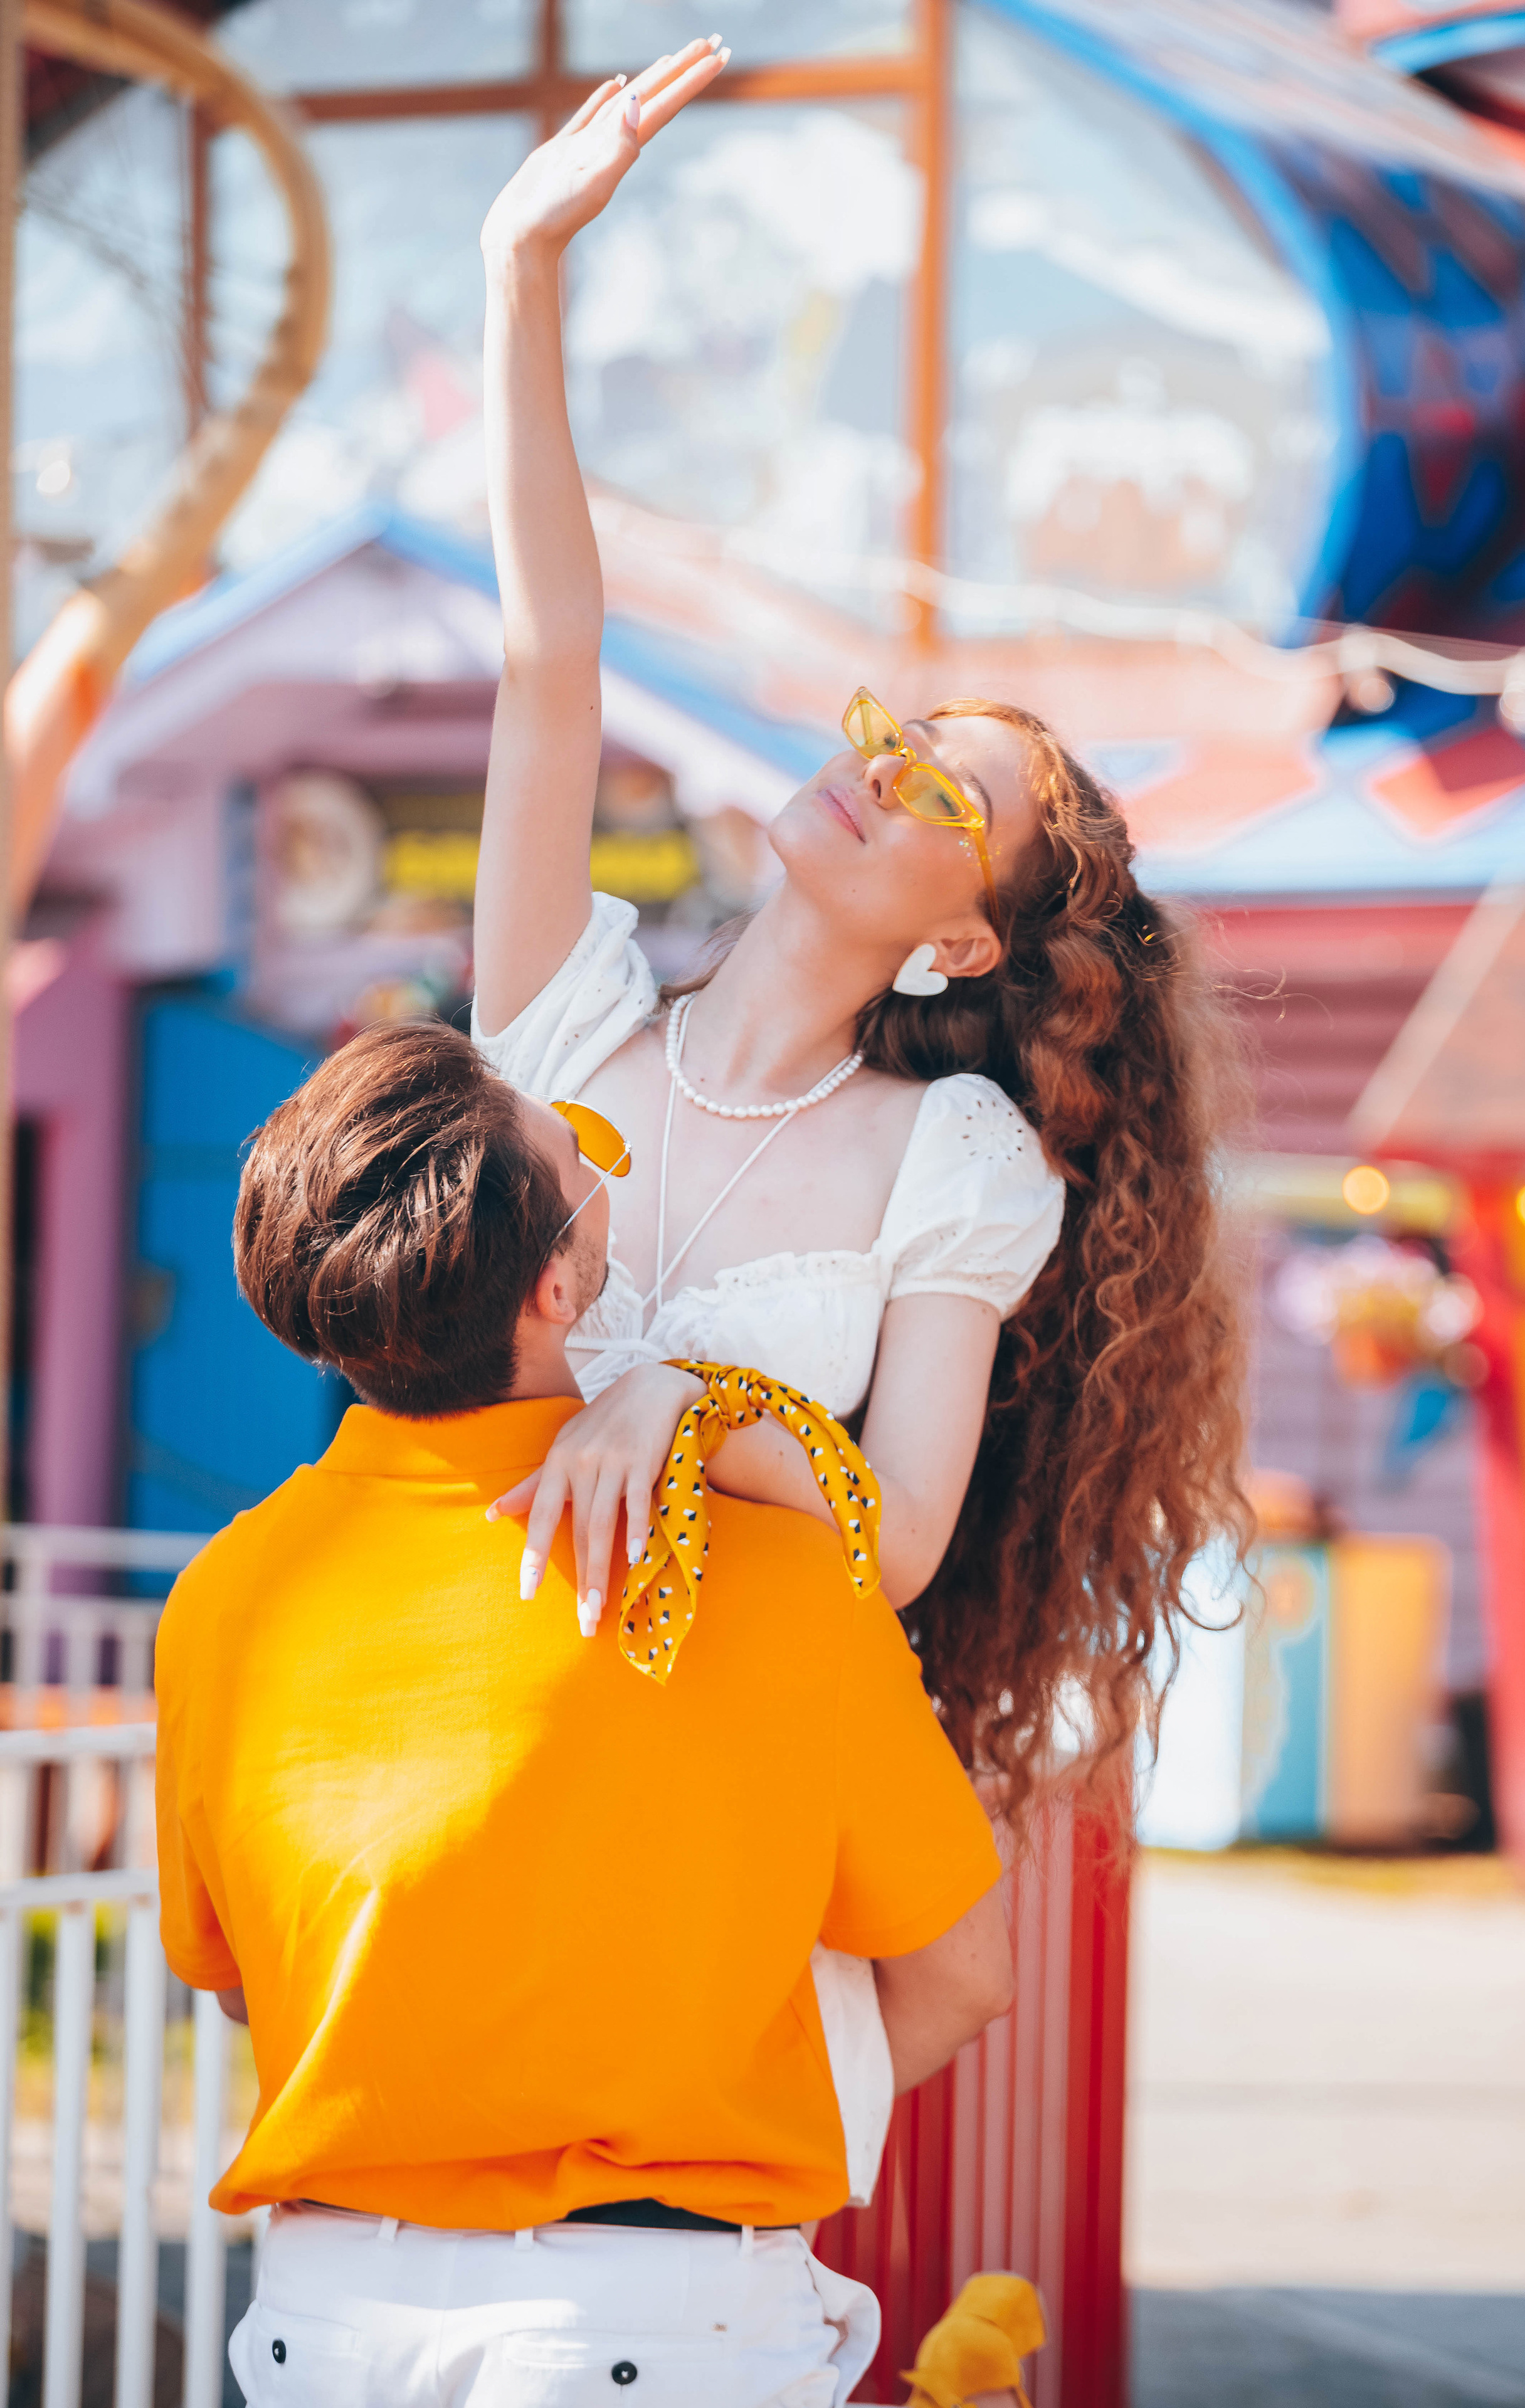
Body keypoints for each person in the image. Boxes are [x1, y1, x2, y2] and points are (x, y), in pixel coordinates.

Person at [472, 40, 1250, 2192]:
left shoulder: (955, 1167)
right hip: (470, 1777)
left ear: (953, 949)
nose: (882, 769)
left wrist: (684, 1410)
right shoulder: (564, 1018)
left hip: (726, 1846)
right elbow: (553, 664)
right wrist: (517, 272)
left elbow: (896, 1534)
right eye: (900, 734)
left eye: (949, 804)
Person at [156, 1019, 1013, 2407]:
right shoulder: (775, 1570)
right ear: (557, 1282)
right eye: (583, 1153)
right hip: (655, 2321)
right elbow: (964, 1974)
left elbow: (249, 1970)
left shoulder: (225, 1595)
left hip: (324, 2324)